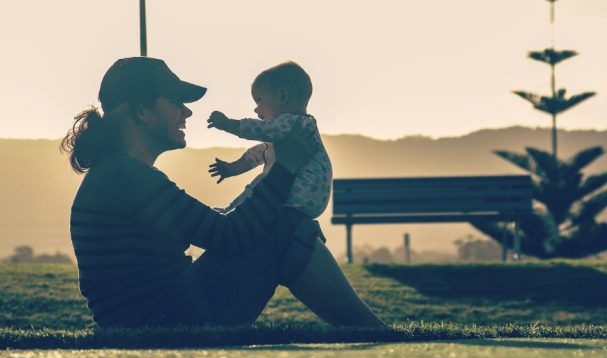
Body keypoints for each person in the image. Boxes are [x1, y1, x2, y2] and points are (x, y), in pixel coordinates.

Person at [61, 56, 384, 328]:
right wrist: (286, 167)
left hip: (156, 314)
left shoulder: (119, 173)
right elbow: (229, 236)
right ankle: (375, 333)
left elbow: (213, 227)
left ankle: (372, 331)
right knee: (288, 227)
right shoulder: (125, 176)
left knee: (285, 225)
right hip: (164, 318)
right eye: (176, 102)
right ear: (142, 111)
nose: (186, 113)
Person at [208, 61, 331, 219]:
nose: (256, 109)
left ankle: (230, 214)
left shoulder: (293, 122)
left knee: (259, 187)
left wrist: (228, 124)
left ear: (283, 96)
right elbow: (261, 153)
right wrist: (232, 168)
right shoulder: (299, 128)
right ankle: (230, 212)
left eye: (259, 100)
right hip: (310, 199)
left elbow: (261, 130)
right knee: (261, 185)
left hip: (298, 191)